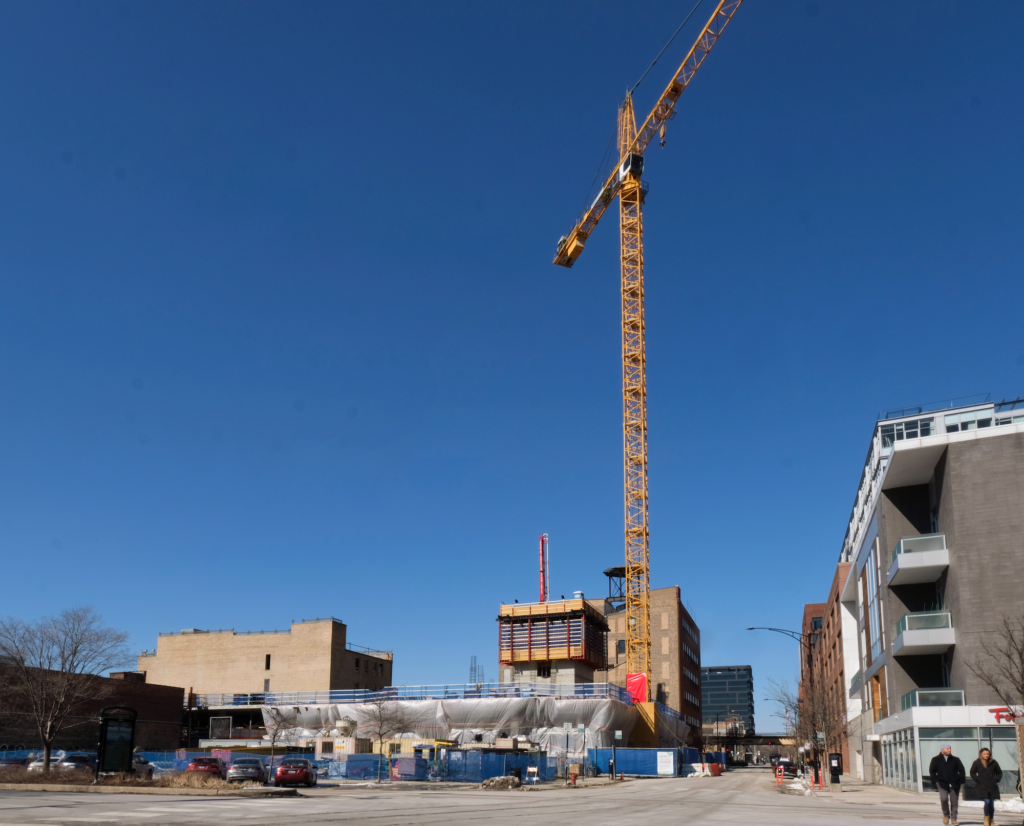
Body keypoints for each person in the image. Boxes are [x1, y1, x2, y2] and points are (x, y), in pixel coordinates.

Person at [929, 744, 966, 825]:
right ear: (942, 750)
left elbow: (962, 770)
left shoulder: (955, 760)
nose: (949, 750)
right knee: (944, 799)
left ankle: (953, 819)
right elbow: (932, 771)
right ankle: (946, 815)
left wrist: (961, 780)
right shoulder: (935, 760)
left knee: (954, 801)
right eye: (947, 748)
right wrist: (935, 781)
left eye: (950, 749)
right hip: (942, 783)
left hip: (954, 783)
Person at [970, 747, 1003, 826]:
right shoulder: (977, 762)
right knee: (987, 802)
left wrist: (996, 780)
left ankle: (991, 819)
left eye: (988, 754)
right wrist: (978, 779)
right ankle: (986, 818)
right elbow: (972, 772)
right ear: (981, 754)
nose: (986, 755)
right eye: (984, 754)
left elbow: (999, 773)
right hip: (982, 786)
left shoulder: (994, 762)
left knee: (991, 803)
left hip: (992, 786)